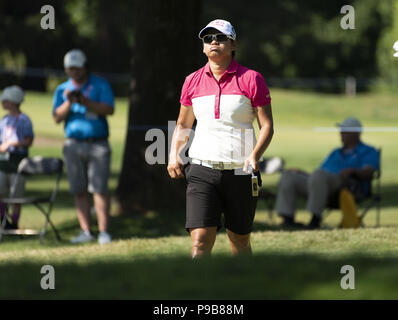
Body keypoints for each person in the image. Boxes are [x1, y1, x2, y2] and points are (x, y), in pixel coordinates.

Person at [167, 19, 274, 258]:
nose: (214, 42)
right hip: (201, 169)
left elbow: (267, 126)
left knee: (239, 240)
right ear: (203, 47)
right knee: (200, 241)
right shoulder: (191, 81)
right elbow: (184, 123)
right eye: (208, 39)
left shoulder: (252, 78)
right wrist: (174, 155)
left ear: (233, 44)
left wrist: (255, 155)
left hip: (241, 172)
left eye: (220, 38)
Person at [52, 49, 114, 244]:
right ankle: (86, 232)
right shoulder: (62, 89)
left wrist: (86, 102)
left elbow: (109, 109)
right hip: (73, 144)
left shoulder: (99, 84)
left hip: (98, 143)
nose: (74, 72)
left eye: (77, 68)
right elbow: (56, 117)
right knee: (79, 189)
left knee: (99, 188)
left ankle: (104, 232)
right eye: (70, 69)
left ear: (85, 67)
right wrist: (69, 102)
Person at [275, 117, 380, 229]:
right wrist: (302, 173)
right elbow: (318, 174)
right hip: (321, 184)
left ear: (355, 133)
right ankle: (287, 219)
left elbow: (369, 172)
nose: (341, 133)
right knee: (289, 176)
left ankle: (315, 220)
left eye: (345, 131)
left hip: (346, 186)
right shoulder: (336, 152)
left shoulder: (368, 151)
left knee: (320, 175)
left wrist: (352, 171)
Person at [0, 85, 34, 229]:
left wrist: (12, 143)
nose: (2, 103)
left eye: (5, 100)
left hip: (17, 162)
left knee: (16, 195)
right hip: (3, 162)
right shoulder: (4, 119)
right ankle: (3, 221)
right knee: (1, 192)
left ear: (13, 101)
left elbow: (28, 141)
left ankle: (14, 223)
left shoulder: (24, 120)